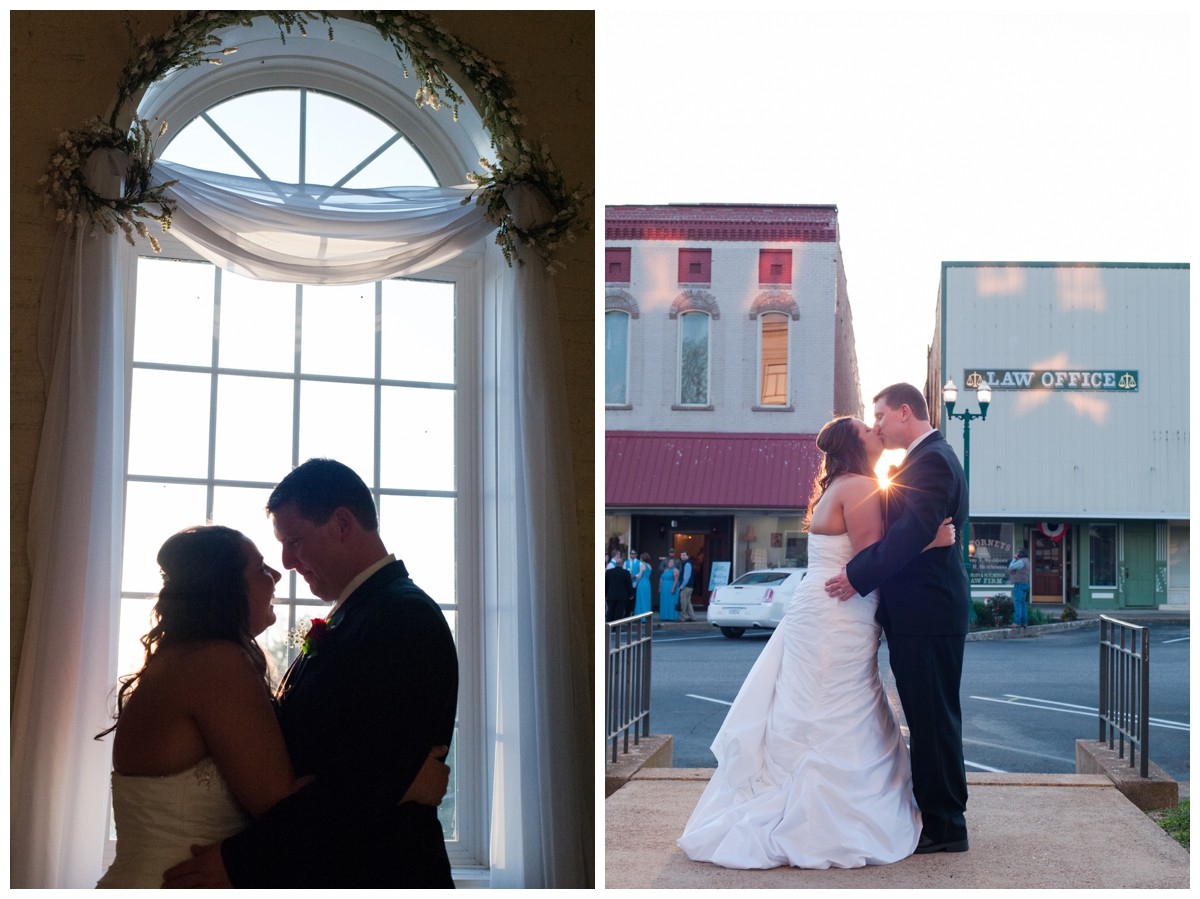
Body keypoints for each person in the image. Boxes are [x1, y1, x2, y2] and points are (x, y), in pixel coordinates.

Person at [94, 525, 451, 888]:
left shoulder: (181, 659)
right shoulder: (216, 664)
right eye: (261, 568)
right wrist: (399, 781)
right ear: (225, 588)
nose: (278, 573)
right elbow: (281, 806)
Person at [163, 458, 459, 887]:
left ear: (342, 523)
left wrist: (240, 862)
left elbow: (364, 782)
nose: (285, 561)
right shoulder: (363, 613)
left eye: (295, 540)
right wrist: (403, 781)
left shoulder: (402, 616)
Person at [678, 416, 953, 869]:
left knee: (810, 702)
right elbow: (872, 556)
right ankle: (825, 818)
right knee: (840, 702)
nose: (875, 430)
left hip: (818, 607)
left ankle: (789, 794)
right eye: (867, 427)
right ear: (854, 443)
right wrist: (931, 540)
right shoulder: (861, 486)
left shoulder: (838, 485)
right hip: (840, 608)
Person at [824, 383, 971, 855]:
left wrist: (856, 574)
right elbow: (913, 532)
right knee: (931, 717)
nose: (878, 425)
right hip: (922, 612)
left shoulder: (931, 460)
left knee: (932, 720)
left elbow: (910, 533)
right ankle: (940, 816)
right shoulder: (924, 459)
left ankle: (946, 826)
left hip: (927, 613)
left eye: (881, 415)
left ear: (905, 412)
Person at [605, 551, 635, 621]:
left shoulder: (609, 572)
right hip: (622, 596)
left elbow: (606, 584)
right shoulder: (626, 573)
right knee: (619, 613)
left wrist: (605, 594)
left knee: (610, 612)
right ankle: (617, 628)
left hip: (611, 595)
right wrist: (631, 595)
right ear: (622, 564)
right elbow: (629, 585)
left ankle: (609, 627)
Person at [1009, 547, 1030, 628]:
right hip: (1026, 583)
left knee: (1018, 603)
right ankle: (1024, 622)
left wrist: (1014, 559)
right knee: (1023, 603)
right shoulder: (1027, 560)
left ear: (1019, 554)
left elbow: (1011, 567)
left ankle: (1016, 622)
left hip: (1019, 584)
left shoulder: (1021, 562)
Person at [658, 557, 680, 622]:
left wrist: (673, 588)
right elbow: (661, 578)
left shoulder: (675, 570)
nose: (672, 564)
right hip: (664, 588)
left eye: (673, 563)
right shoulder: (665, 570)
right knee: (664, 601)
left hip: (671, 586)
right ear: (667, 564)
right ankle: (665, 616)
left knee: (671, 602)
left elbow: (676, 580)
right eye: (670, 562)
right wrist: (659, 587)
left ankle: (672, 616)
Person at [631, 552, 653, 616]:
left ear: (642, 558)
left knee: (640, 599)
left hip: (642, 582)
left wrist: (634, 576)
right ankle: (646, 615)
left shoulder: (642, 565)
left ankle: (640, 615)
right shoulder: (649, 565)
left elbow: (640, 575)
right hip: (647, 582)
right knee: (646, 599)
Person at [678, 551, 696, 621]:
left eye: (684, 555)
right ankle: (692, 617)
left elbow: (686, 577)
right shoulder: (686, 563)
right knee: (688, 602)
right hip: (689, 586)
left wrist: (681, 586)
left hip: (686, 586)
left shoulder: (687, 564)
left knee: (683, 602)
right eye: (681, 555)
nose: (683, 556)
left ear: (687, 556)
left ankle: (682, 617)